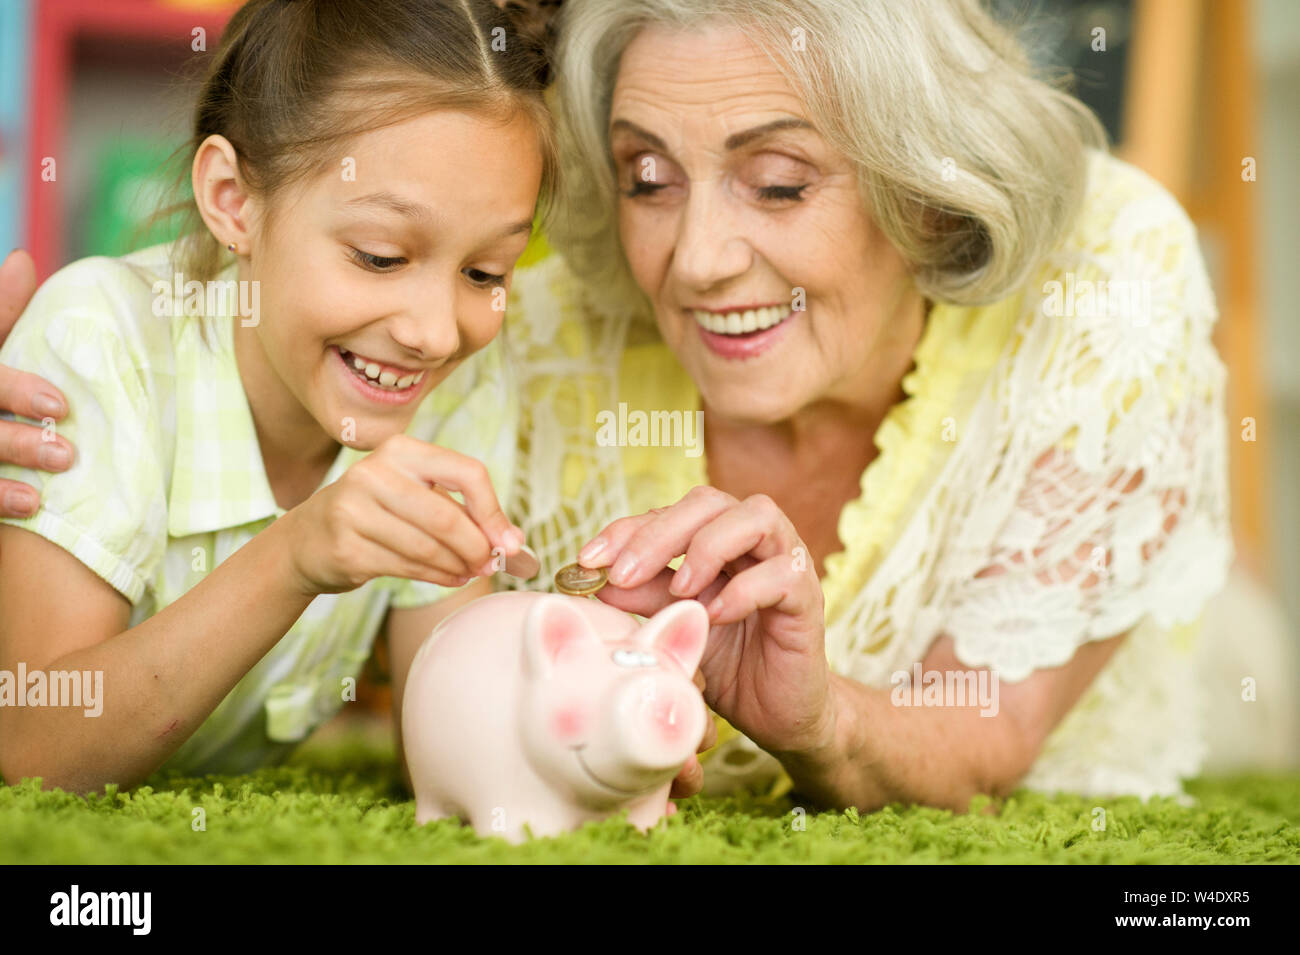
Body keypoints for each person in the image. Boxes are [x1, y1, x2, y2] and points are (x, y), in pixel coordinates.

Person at [494, 0, 1234, 809]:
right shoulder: (527, 331)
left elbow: (988, 740)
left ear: (929, 186)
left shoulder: (1103, 281)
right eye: (649, 180)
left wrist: (824, 722)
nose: (698, 261)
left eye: (779, 184)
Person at [0, 0, 553, 792]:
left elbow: (444, 750)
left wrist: (601, 728)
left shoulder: (463, 382)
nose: (435, 332)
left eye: (484, 273)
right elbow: (37, 751)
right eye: (380, 256)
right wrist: (295, 556)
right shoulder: (101, 338)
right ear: (234, 199)